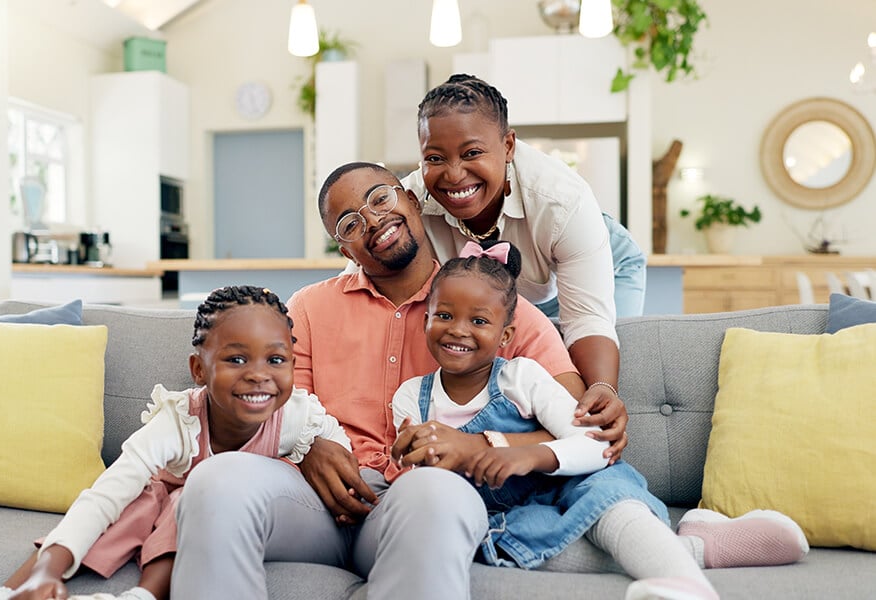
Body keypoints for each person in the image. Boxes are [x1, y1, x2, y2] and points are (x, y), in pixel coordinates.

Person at [170, 162, 621, 600]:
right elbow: (281, 403)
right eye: (350, 223)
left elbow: (577, 421)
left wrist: (481, 446)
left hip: (421, 499)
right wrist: (307, 446)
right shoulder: (307, 308)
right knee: (215, 480)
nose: (373, 220)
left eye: (380, 198)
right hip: (312, 508)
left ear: (410, 199)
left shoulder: (494, 305)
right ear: (345, 250)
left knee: (434, 490)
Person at [390, 239, 809, 600]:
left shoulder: (522, 377)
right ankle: (695, 548)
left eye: (478, 320)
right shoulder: (412, 397)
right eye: (443, 315)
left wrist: (527, 455)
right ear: (425, 319)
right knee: (519, 547)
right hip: (505, 517)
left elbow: (594, 443)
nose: (457, 330)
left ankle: (685, 585)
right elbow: (420, 474)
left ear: (505, 336)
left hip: (574, 484)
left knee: (607, 500)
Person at [0, 286, 350, 600]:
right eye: (236, 359)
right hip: (157, 506)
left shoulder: (296, 417)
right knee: (143, 499)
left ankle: (145, 594)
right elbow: (106, 494)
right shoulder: (178, 420)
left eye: (276, 360)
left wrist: (316, 454)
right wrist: (47, 571)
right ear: (198, 370)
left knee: (186, 498)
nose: (258, 375)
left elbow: (341, 453)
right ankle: (17, 588)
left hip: (231, 519)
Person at [403, 73, 637, 434]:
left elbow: (587, 319)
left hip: (599, 266)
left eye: (472, 153)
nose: (453, 174)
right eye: (435, 158)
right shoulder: (410, 203)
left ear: (508, 146)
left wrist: (603, 390)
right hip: (496, 298)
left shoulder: (561, 201)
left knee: (595, 378)